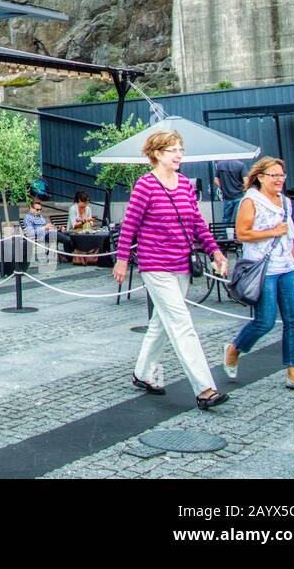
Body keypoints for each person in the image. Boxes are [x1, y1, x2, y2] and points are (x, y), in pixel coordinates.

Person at [112, 130, 229, 409]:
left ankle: (142, 374)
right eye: (172, 150)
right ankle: (204, 388)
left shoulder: (186, 185)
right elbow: (130, 225)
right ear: (157, 154)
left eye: (180, 149)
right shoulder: (145, 185)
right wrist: (122, 258)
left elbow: (197, 223)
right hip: (155, 264)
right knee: (181, 323)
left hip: (182, 263)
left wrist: (214, 250)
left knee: (162, 322)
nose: (179, 155)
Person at [222, 157, 294, 393]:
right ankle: (235, 348)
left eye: (281, 175)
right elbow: (242, 234)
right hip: (262, 268)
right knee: (264, 321)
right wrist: (272, 231)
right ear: (261, 177)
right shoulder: (250, 200)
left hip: (285, 266)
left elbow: (289, 236)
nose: (279, 179)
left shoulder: (285, 202)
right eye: (274, 175)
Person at [213, 158, 247, 225]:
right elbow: (246, 181)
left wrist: (223, 188)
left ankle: (223, 234)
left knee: (226, 218)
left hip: (227, 197)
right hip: (239, 196)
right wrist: (243, 190)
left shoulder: (220, 165)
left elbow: (216, 180)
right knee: (239, 217)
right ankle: (238, 234)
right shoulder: (241, 165)